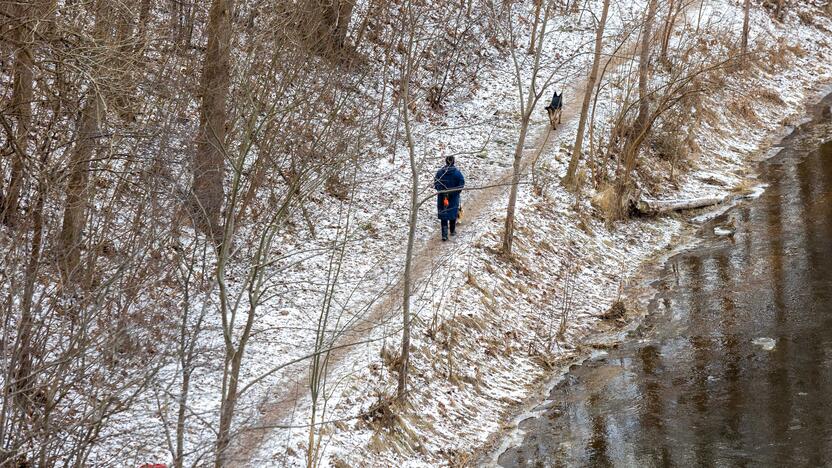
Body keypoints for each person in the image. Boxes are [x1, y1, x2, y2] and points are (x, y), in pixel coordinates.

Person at [434, 155, 465, 241]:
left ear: (446, 161)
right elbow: (461, 184)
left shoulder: (440, 173)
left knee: (444, 213)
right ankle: (452, 230)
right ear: (453, 162)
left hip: (442, 197)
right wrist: (455, 192)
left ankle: (444, 235)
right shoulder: (457, 173)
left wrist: (442, 192)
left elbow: (436, 184)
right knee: (453, 212)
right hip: (454, 197)